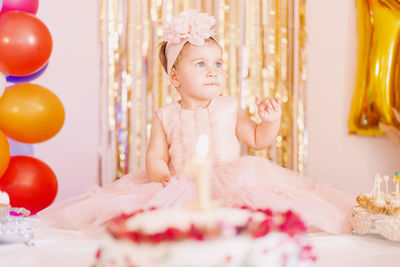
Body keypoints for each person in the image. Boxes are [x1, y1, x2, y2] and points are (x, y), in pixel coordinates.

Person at [39, 10, 352, 235]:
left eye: (217, 63)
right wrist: (162, 177)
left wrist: (269, 121)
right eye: (200, 64)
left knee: (248, 219)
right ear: (175, 77)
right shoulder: (166, 115)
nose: (212, 71)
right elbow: (155, 156)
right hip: (179, 184)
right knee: (168, 223)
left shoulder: (229, 108)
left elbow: (258, 139)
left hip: (233, 181)